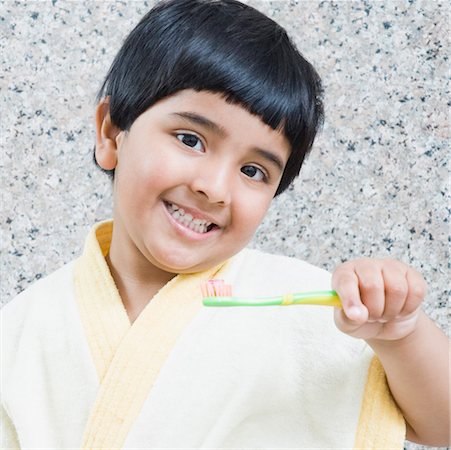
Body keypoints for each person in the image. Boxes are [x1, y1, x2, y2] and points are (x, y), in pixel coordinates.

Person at [1, 0, 449, 448]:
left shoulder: (306, 306)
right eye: (191, 140)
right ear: (110, 134)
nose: (215, 188)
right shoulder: (21, 332)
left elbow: (442, 424)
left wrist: (400, 336)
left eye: (254, 171)